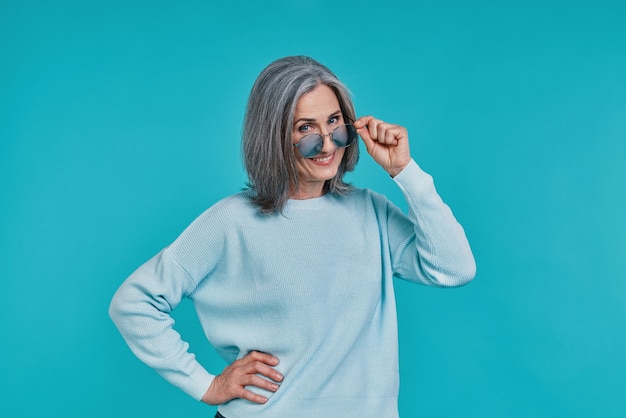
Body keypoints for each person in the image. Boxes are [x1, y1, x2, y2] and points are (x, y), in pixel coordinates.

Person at [109, 55, 476, 418]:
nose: (329, 145)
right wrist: (205, 385)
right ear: (274, 138)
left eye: (335, 123)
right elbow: (134, 302)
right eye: (305, 130)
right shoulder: (230, 221)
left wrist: (405, 172)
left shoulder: (371, 212)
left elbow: (454, 268)